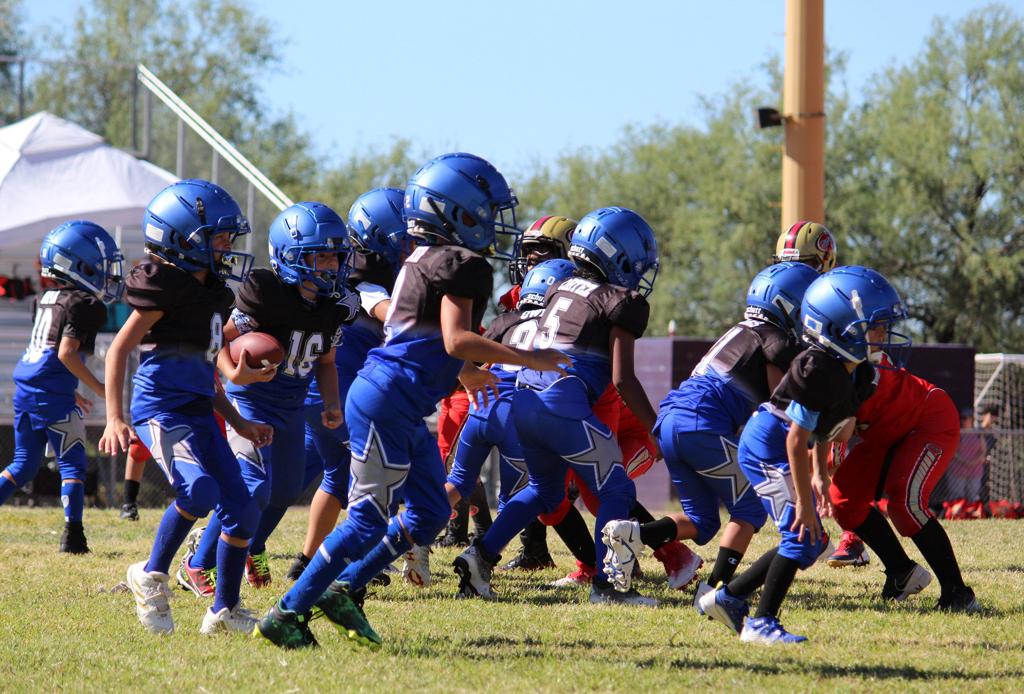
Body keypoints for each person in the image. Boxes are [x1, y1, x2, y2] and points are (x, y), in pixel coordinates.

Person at [254, 152, 569, 649]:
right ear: (457, 211)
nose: (492, 220)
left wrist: (463, 373)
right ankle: (287, 612)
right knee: (367, 519)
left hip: (394, 397)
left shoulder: (419, 258)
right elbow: (455, 339)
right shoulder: (462, 263)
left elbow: (419, 339)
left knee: (430, 511)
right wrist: (531, 358)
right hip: (388, 399)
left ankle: (344, 587)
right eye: (486, 209)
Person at [452, 206, 662, 607]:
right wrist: (656, 429)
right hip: (562, 404)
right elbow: (622, 379)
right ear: (619, 254)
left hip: (525, 402)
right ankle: (608, 586)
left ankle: (480, 556)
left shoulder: (558, 288)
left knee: (544, 490)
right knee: (616, 489)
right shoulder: (623, 301)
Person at [100, 179, 273, 635]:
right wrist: (115, 416)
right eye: (219, 237)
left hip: (198, 410)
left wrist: (238, 421)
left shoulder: (213, 294)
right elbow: (118, 350)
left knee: (243, 509)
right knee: (198, 492)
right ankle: (150, 574)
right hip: (161, 409)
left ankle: (224, 610)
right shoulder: (165, 286)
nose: (228, 246)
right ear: (181, 238)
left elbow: (205, 374)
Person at [601, 262, 818, 608]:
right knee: (750, 507)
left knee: (702, 521)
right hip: (700, 423)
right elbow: (781, 410)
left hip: (671, 421)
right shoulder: (776, 340)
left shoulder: (739, 331)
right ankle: (715, 589)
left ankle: (634, 534)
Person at [700, 266, 896, 644]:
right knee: (800, 535)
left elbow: (822, 426)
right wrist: (805, 500)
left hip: (783, 444)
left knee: (812, 542)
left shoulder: (856, 372)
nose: (884, 335)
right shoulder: (816, 367)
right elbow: (796, 437)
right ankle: (760, 623)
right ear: (841, 328)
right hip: (767, 447)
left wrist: (820, 474)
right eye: (875, 326)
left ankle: (728, 597)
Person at [178, 201, 356, 595]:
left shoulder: (333, 305)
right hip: (252, 400)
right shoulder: (266, 291)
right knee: (252, 487)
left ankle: (251, 546)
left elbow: (327, 362)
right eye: (321, 255)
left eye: (336, 256)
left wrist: (331, 402)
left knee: (285, 490)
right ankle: (198, 562)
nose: (331, 265)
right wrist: (231, 371)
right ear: (290, 256)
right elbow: (217, 339)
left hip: (291, 405)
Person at [286, 187, 411, 582]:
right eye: (405, 239)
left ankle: (304, 560)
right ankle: (363, 556)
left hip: (327, 393)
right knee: (379, 471)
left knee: (329, 478)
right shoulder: (364, 280)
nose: (412, 246)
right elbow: (391, 315)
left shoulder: (342, 272)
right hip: (338, 394)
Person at [0, 221, 125, 552]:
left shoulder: (45, 298)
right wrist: (101, 388)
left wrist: (71, 390)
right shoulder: (85, 303)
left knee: (23, 465)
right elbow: (66, 353)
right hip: (51, 394)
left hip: (29, 388)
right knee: (73, 464)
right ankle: (73, 536)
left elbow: (47, 352)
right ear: (79, 263)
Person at [829, 349, 981, 612]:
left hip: (926, 420)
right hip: (886, 433)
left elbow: (834, 440)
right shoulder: (822, 368)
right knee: (843, 500)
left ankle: (958, 593)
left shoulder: (856, 362)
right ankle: (901, 572)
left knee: (906, 505)